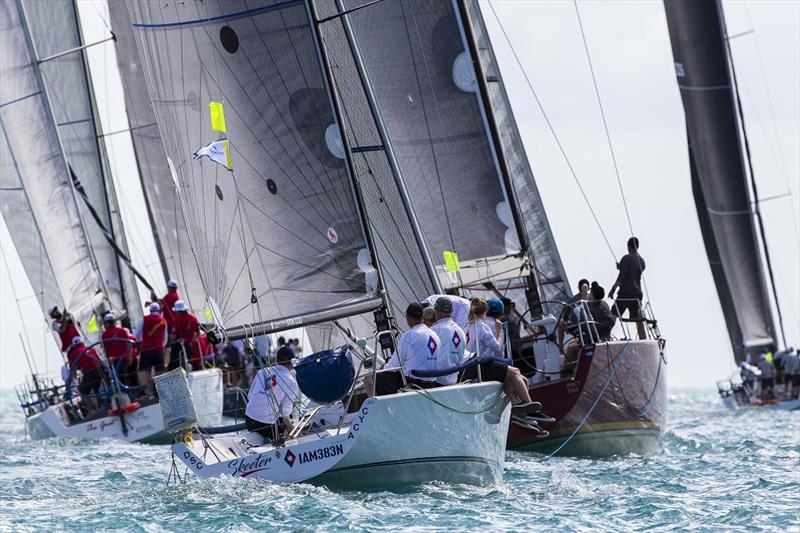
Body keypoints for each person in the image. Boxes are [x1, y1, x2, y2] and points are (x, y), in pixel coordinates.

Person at [461, 298, 535, 408]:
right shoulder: (487, 326)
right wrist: (499, 331)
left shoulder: (467, 326)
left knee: (509, 376)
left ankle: (515, 405)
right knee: (516, 374)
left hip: (467, 367)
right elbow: (499, 351)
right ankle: (528, 405)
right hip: (478, 367)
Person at [363, 303, 441, 397]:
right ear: (423, 316)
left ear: (407, 318)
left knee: (368, 380)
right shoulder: (435, 335)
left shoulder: (409, 336)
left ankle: (379, 410)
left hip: (413, 384)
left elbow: (393, 366)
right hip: (432, 383)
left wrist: (383, 367)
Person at [244, 346, 300, 441]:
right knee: (289, 438)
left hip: (248, 419)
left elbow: (250, 396)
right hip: (265, 424)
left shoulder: (262, 371)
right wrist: (291, 428)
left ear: (277, 359)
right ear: (291, 362)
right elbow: (285, 413)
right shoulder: (292, 382)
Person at [609, 237, 647, 339]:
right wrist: (622, 266)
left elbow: (622, 276)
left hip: (626, 293)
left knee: (613, 314)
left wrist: (613, 289)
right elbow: (633, 271)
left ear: (629, 246)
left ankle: (605, 335)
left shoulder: (626, 258)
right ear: (637, 246)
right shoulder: (642, 261)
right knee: (637, 319)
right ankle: (643, 338)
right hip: (637, 294)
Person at [430, 297, 467, 386]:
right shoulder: (461, 331)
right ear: (451, 312)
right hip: (453, 381)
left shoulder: (434, 330)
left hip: (437, 382)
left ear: (436, 311)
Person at [135, 302, 168, 397]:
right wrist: (161, 346)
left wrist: (138, 343)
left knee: (146, 371)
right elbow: (165, 338)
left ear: (150, 310)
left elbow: (136, 334)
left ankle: (149, 393)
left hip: (146, 350)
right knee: (159, 371)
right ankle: (161, 392)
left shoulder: (143, 319)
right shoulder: (163, 321)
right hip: (158, 350)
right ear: (158, 310)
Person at [66, 336, 105, 410]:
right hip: (100, 369)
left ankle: (92, 411)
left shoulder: (74, 353)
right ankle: (102, 406)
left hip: (89, 372)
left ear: (74, 345)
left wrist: (74, 378)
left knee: (82, 392)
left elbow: (73, 368)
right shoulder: (91, 348)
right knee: (96, 389)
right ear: (82, 342)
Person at [101, 313, 138, 387]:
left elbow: (105, 349)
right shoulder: (122, 331)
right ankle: (133, 394)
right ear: (114, 321)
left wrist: (108, 361)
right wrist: (129, 357)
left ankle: (125, 395)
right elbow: (128, 345)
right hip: (124, 358)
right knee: (129, 376)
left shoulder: (104, 334)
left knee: (119, 379)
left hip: (114, 361)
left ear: (106, 323)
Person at [170, 300, 201, 371]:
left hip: (178, 346)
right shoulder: (193, 318)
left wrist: (170, 340)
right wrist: (192, 339)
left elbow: (173, 336)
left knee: (174, 364)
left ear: (179, 311)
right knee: (189, 361)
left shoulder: (176, 320)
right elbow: (198, 333)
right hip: (189, 345)